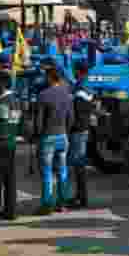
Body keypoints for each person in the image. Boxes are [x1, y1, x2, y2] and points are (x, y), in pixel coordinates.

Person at [35, 66, 74, 215]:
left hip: (48, 137)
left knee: (47, 172)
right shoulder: (67, 94)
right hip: (63, 136)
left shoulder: (43, 95)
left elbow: (38, 122)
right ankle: (62, 203)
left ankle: (47, 205)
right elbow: (71, 118)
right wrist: (66, 132)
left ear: (50, 77)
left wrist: (37, 136)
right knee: (63, 171)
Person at [65, 60, 96, 210]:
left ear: (79, 71)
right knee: (79, 165)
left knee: (78, 165)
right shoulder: (87, 86)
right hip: (83, 128)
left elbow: (75, 111)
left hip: (77, 130)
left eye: (75, 69)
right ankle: (80, 196)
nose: (74, 72)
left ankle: (81, 198)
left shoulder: (80, 88)